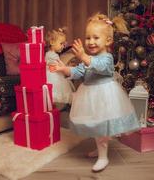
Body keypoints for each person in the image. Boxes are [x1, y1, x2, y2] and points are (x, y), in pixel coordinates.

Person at [49, 13, 140, 172]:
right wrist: (63, 68)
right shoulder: (89, 58)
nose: (91, 42)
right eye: (88, 38)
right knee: (97, 127)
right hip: (90, 95)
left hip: (104, 96)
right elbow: (79, 71)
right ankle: (100, 149)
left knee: (102, 127)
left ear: (108, 41)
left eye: (95, 38)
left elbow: (99, 66)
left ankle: (103, 157)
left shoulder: (107, 58)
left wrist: (83, 56)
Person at [45, 27, 75, 105]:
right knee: (55, 92)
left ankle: (55, 106)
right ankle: (53, 105)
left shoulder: (53, 54)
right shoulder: (51, 55)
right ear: (52, 42)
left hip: (54, 72)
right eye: (61, 44)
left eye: (64, 44)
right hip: (52, 75)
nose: (63, 46)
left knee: (56, 93)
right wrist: (67, 66)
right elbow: (58, 65)